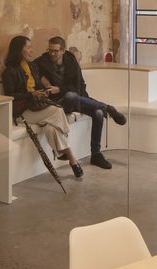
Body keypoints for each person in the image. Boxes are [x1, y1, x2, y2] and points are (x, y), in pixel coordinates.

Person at [35, 36, 126, 170]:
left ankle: (96, 154)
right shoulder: (42, 62)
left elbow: (78, 86)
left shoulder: (70, 61)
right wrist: (41, 79)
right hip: (57, 104)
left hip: (77, 97)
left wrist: (60, 89)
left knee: (98, 113)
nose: (52, 54)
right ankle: (108, 108)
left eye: (55, 51)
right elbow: (32, 71)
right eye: (50, 50)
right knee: (71, 96)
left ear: (63, 51)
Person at [1, 35, 83, 180]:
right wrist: (31, 95)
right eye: (28, 47)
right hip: (23, 112)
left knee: (51, 128)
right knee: (58, 110)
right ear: (19, 50)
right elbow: (10, 96)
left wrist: (43, 91)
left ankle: (72, 160)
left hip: (37, 107)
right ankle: (66, 141)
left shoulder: (32, 66)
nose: (31, 50)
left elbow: (39, 84)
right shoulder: (10, 71)